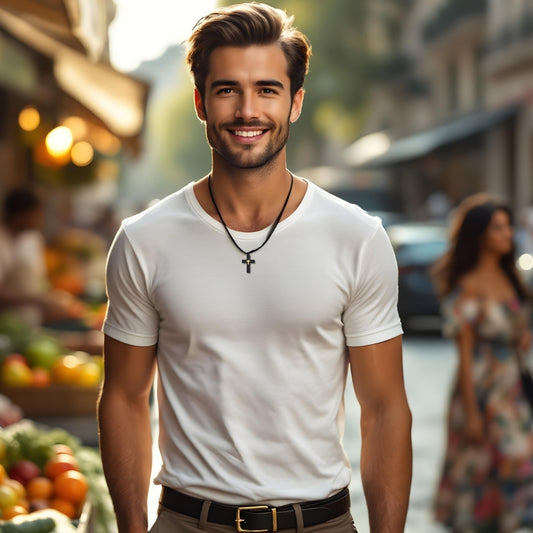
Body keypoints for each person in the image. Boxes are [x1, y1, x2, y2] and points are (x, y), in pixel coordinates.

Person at [97, 4, 412, 533]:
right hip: (186, 521)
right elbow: (125, 397)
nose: (248, 110)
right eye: (227, 90)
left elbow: (383, 409)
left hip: (320, 523)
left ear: (295, 103)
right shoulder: (143, 240)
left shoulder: (356, 237)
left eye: (267, 89)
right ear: (200, 102)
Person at [431, 193, 533, 533]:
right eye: (498, 228)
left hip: (513, 391)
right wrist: (471, 415)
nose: (508, 234)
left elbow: (517, 330)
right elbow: (463, 357)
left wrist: (520, 338)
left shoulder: (512, 278)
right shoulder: (467, 287)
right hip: (479, 390)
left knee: (518, 464)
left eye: (509, 227)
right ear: (480, 236)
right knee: (476, 473)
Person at [0, 186, 85, 326]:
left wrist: (54, 299)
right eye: (36, 214)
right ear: (20, 215)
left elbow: (40, 281)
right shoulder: (2, 241)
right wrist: (39, 299)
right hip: (7, 324)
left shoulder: (33, 239)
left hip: (33, 320)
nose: (40, 219)